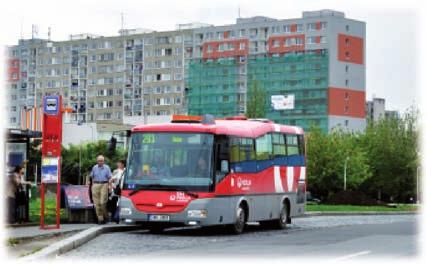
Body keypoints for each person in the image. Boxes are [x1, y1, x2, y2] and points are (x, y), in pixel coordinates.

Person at [90, 155, 112, 224]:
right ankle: (100, 219)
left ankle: (106, 216)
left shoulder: (107, 167)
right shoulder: (94, 167)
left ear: (103, 161)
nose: (100, 162)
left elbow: (110, 177)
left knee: (103, 202)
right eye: (99, 161)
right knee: (96, 203)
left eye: (102, 161)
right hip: (95, 185)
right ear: (97, 161)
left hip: (104, 184)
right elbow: (92, 177)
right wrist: (92, 186)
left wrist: (110, 186)